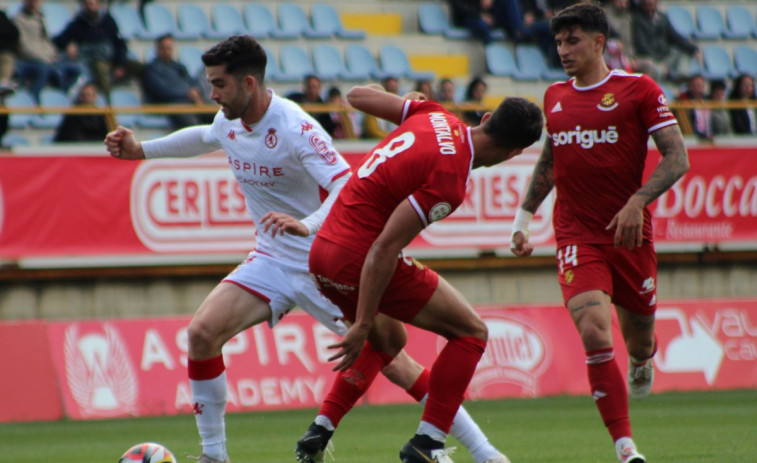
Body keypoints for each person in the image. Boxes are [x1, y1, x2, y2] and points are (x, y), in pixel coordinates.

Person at [104, 35, 512, 463]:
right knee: (202, 334)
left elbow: (343, 182)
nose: (212, 94)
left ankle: (481, 451)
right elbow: (206, 137)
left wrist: (307, 224)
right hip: (272, 258)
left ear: (247, 83)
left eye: (219, 85)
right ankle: (214, 456)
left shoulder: (296, 127)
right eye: (210, 84)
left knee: (394, 359)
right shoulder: (228, 119)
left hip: (329, 260)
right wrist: (141, 151)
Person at [293, 86, 542, 463]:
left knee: (389, 339)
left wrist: (407, 101)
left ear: (487, 118)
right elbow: (384, 248)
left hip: (321, 253)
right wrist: (361, 322)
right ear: (514, 154)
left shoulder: (433, 114)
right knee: (471, 332)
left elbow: (356, 96)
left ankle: (320, 429)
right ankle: (428, 443)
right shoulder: (450, 180)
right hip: (357, 256)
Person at [509, 4, 689, 463]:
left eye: (572, 41)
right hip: (576, 235)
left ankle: (642, 359)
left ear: (598, 42)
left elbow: (677, 157)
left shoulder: (638, 90)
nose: (563, 50)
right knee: (593, 331)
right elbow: (551, 160)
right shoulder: (554, 96)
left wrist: (637, 202)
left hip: (630, 235)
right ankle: (625, 448)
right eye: (558, 42)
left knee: (640, 340)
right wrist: (523, 219)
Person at [53, 0, 143, 97]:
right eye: (88, 4)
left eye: (93, 4)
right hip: (96, 61)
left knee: (141, 68)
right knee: (100, 67)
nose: (91, 7)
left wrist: (120, 64)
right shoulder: (77, 24)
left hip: (113, 59)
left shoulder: (108, 21)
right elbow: (59, 39)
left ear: (98, 5)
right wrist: (68, 44)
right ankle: (108, 102)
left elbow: (120, 43)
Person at [13, 0, 88, 102]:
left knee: (78, 69)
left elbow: (47, 42)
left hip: (49, 58)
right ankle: (33, 101)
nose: (34, 3)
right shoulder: (18, 21)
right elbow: (23, 46)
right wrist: (45, 58)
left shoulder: (41, 18)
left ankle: (63, 97)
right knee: (44, 69)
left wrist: (55, 53)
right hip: (29, 60)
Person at [141, 34, 210, 130]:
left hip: (190, 102)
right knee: (194, 126)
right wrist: (187, 94)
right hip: (170, 105)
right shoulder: (151, 69)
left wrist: (195, 92)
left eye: (169, 48)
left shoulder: (179, 66)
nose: (166, 51)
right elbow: (161, 91)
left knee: (216, 115)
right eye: (163, 48)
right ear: (157, 49)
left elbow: (192, 81)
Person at [631, 0, 700, 82]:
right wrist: (657, 62)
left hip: (666, 56)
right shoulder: (637, 20)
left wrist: (694, 49)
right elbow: (641, 45)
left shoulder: (662, 18)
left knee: (685, 53)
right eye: (646, 4)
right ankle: (667, 77)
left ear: (656, 4)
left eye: (651, 4)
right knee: (656, 69)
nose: (649, 7)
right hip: (650, 59)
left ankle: (680, 78)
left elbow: (675, 36)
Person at [676, 74, 711, 140]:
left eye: (700, 85)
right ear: (690, 86)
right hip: (691, 137)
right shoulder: (683, 100)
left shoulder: (707, 100)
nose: (697, 87)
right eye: (695, 85)